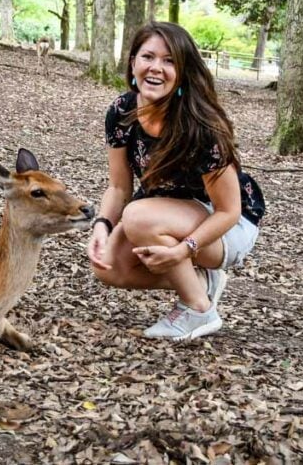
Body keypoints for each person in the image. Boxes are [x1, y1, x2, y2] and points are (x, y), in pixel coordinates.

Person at [87, 22, 265, 341]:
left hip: (226, 225)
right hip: (162, 214)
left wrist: (185, 249)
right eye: (148, 57)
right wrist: (101, 225)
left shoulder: (201, 126)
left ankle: (198, 309)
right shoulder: (122, 111)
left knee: (138, 215)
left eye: (169, 61)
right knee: (107, 265)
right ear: (132, 63)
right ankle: (201, 281)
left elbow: (229, 211)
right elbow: (118, 187)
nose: (157, 68)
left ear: (182, 72)